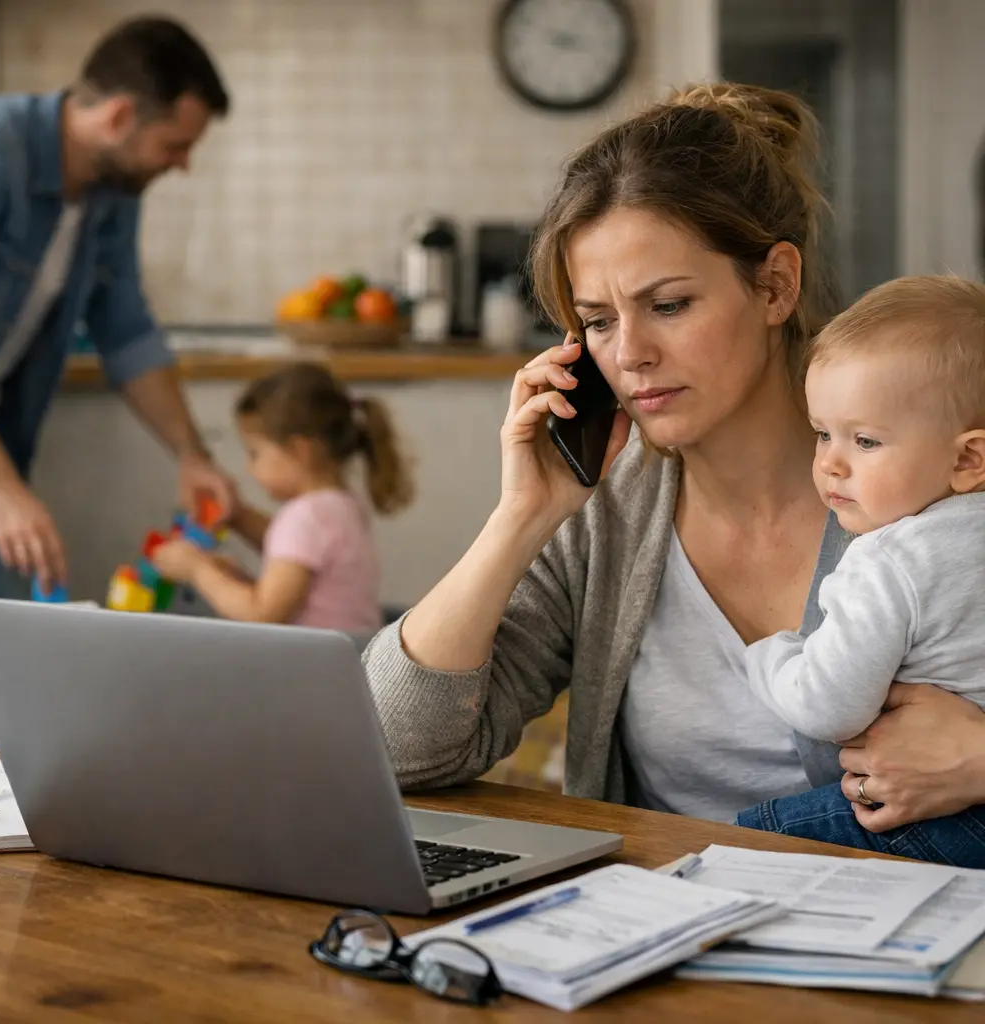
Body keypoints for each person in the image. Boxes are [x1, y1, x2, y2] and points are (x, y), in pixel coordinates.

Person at [362, 83, 985, 856]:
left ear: (775, 285)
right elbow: (396, 750)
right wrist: (520, 516)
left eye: (669, 305)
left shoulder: (939, 482)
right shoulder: (604, 512)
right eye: (597, 321)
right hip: (665, 942)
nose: (629, 355)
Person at [0, 15, 237, 600]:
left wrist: (192, 455)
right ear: (117, 118)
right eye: (175, 145)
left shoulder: (111, 194)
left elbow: (127, 331)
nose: (182, 164)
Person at [735, 276, 985, 866]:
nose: (830, 464)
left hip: (934, 813)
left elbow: (829, 708)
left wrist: (770, 658)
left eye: (866, 441)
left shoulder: (888, 558)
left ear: (967, 458)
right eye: (824, 433)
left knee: (746, 843)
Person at [151, 363, 413, 630]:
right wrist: (239, 518)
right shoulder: (340, 506)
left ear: (300, 451)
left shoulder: (305, 518)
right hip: (352, 654)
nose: (249, 468)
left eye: (256, 454)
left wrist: (198, 570)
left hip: (312, 665)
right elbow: (293, 550)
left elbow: (261, 613)